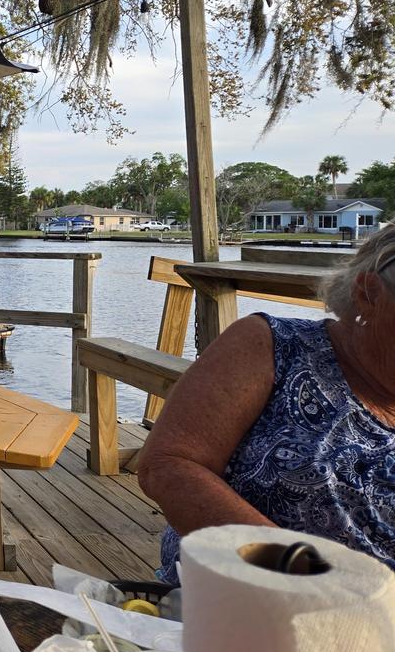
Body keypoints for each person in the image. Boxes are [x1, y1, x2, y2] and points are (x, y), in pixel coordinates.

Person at [138, 225, 395, 584]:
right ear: (368, 294)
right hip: (239, 602)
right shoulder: (271, 346)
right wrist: (304, 575)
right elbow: (168, 465)